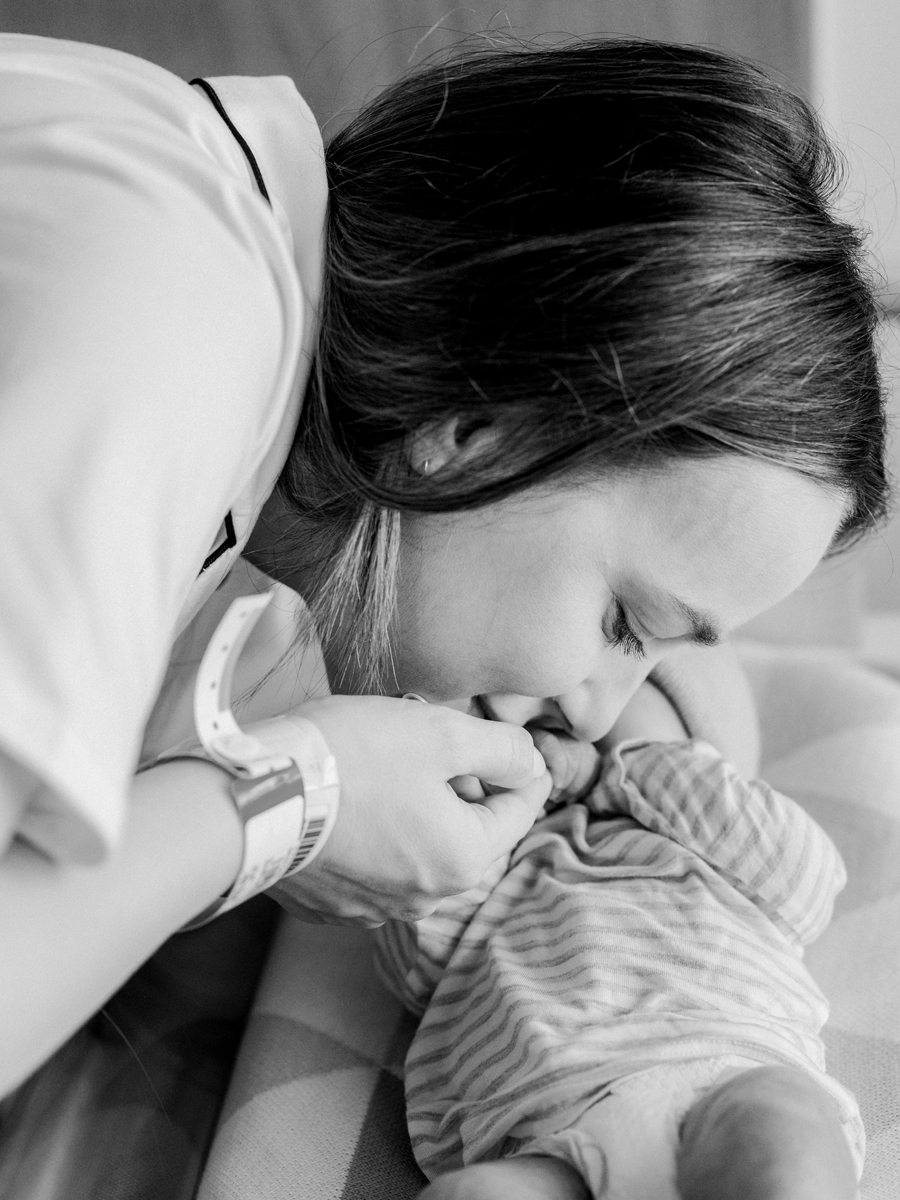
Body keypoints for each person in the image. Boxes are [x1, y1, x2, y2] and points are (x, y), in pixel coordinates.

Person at [0, 30, 888, 1101]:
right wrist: (282, 805)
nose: (602, 716)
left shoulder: (282, 496)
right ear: (475, 432)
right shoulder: (160, 313)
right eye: (625, 625)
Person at [375, 682, 863, 1199]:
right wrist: (451, 827)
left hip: (724, 1066)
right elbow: (422, 966)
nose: (571, 717)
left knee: (779, 1128)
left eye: (631, 688)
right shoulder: (514, 872)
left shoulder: (733, 858)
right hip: (545, 1122)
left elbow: (802, 872)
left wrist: (611, 768)